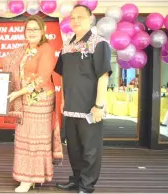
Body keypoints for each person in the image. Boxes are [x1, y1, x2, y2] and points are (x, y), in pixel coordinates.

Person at [0, 15, 63, 193]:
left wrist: (18, 92)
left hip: (39, 101)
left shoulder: (46, 49)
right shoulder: (22, 50)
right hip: (24, 101)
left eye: (35, 29)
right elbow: (4, 61)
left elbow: (42, 78)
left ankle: (32, 177)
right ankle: (26, 177)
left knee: (36, 141)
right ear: (24, 32)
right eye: (28, 29)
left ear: (42, 31)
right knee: (24, 138)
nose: (31, 32)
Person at [54, 5, 112, 194]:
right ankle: (77, 179)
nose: (76, 20)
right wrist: (63, 100)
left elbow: (103, 75)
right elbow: (63, 75)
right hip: (70, 107)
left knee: (90, 150)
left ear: (91, 18)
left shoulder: (99, 43)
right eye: (73, 17)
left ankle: (87, 185)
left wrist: (99, 105)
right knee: (74, 149)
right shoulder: (66, 45)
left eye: (80, 17)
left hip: (90, 108)